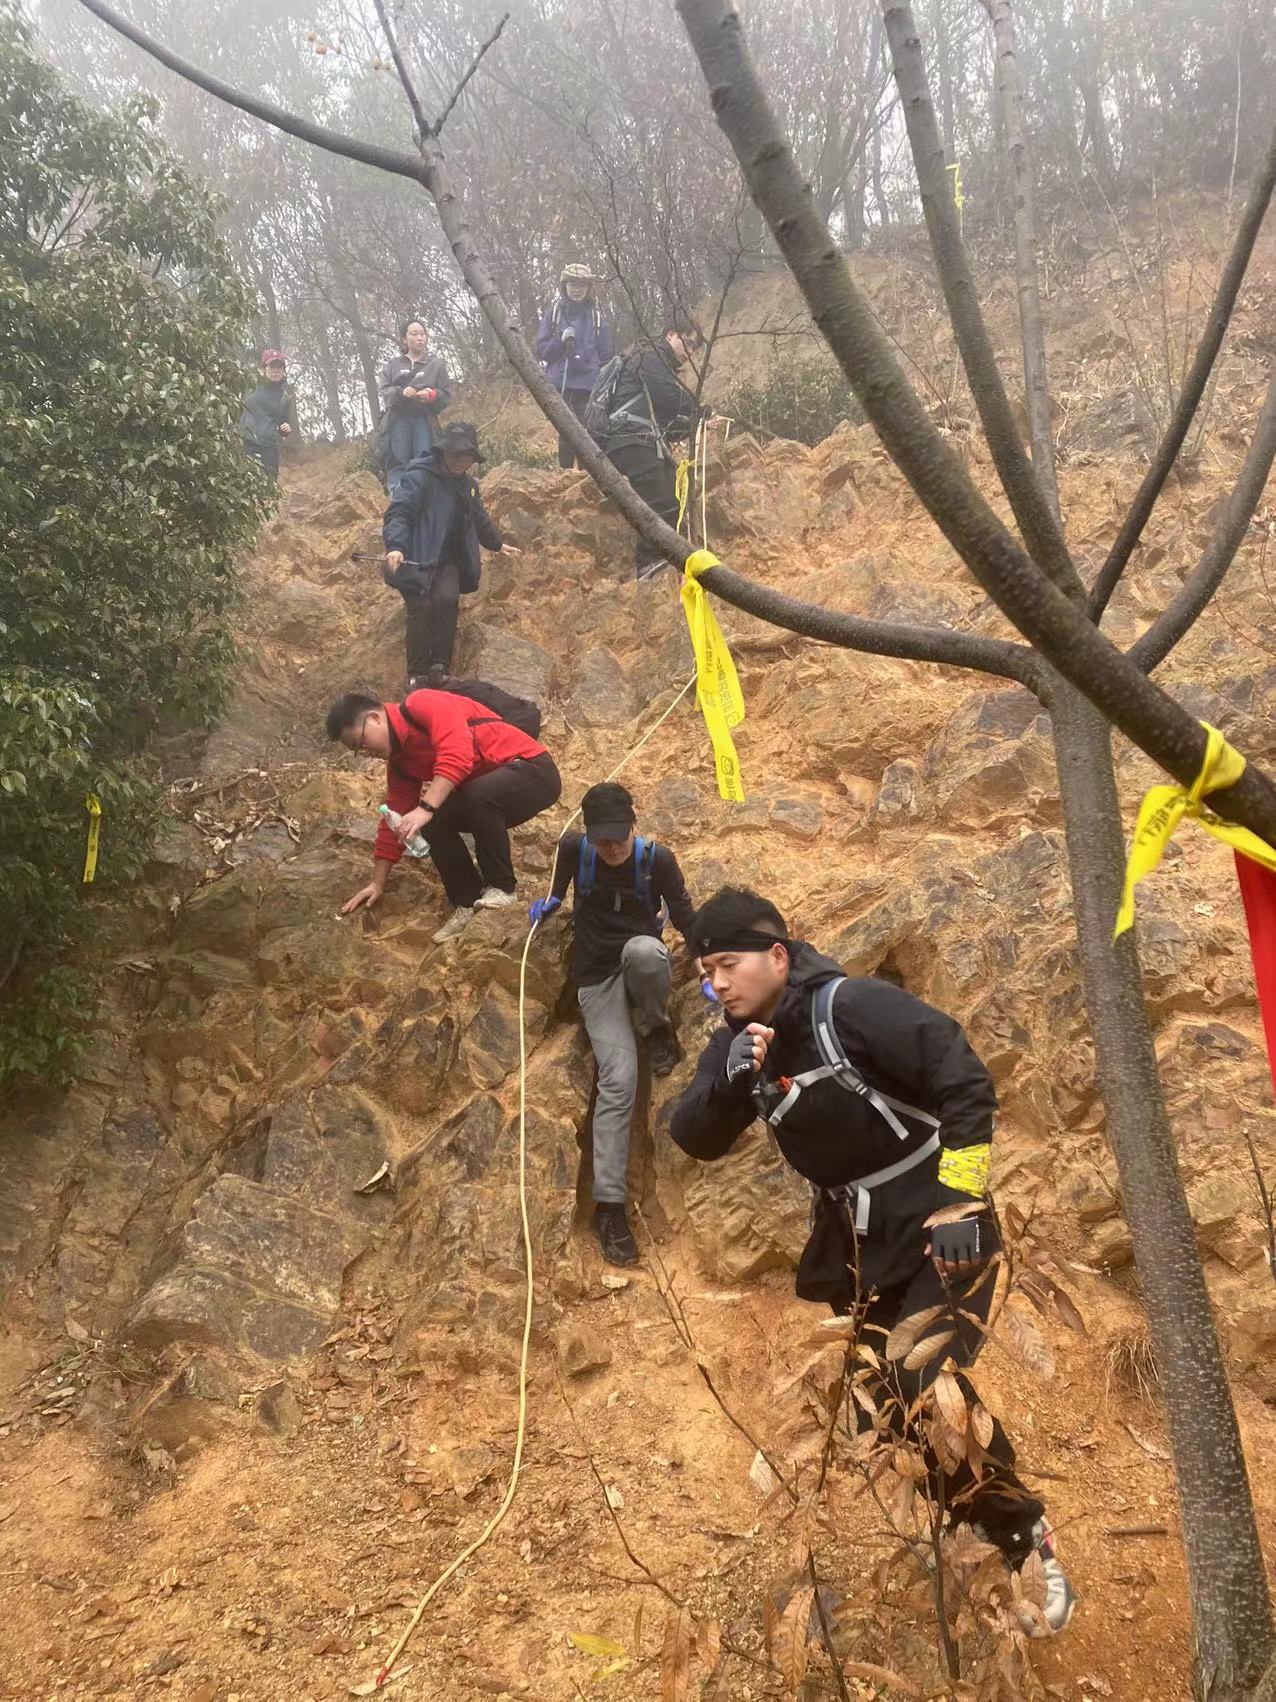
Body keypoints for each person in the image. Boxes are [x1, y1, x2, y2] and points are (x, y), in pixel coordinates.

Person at [668, 887, 1076, 1636]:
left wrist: (960, 1200)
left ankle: (1025, 1535)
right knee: (879, 1403)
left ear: (777, 955)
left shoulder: (850, 1007)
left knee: (920, 1379)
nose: (717, 984)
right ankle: (966, 1524)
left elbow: (963, 1076)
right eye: (706, 974)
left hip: (939, 1224)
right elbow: (692, 1136)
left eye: (727, 965)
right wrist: (728, 1084)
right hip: (857, 1242)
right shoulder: (735, 1044)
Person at [529, 783, 696, 1267]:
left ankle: (656, 1026)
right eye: (601, 839)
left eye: (618, 836)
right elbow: (556, 893)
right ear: (588, 834)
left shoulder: (656, 860)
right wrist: (548, 903)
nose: (611, 847)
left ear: (632, 825)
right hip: (596, 978)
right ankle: (609, 1207)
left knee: (645, 952)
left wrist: (711, 963)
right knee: (619, 1082)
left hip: (640, 965)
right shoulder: (573, 850)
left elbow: (687, 920)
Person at [326, 687, 561, 944]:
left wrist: (424, 808)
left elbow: (458, 753)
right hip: (490, 799)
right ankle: (467, 901)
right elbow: (394, 820)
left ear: (374, 718)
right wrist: (377, 883)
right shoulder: (401, 764)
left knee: (460, 800)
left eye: (361, 743)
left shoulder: (421, 703)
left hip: (533, 771)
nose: (365, 752)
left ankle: (503, 889)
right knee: (434, 819)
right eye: (357, 751)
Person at [382, 420, 520, 689]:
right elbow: (399, 512)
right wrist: (396, 546)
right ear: (442, 451)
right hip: (416, 556)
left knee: (446, 601)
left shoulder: (468, 485)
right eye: (454, 454)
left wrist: (497, 544)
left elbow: (479, 518)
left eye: (466, 455)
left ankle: (440, 668)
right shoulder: (419, 476)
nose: (459, 461)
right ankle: (417, 675)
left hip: (449, 560)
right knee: (422, 607)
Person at [601, 321, 702, 579]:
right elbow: (667, 396)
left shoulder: (656, 361)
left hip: (640, 440)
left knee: (673, 498)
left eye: (694, 349)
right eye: (688, 343)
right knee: (659, 499)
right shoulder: (650, 355)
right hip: (630, 439)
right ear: (671, 334)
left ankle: (662, 560)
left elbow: (665, 421)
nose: (689, 353)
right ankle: (649, 564)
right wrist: (698, 408)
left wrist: (693, 424)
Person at [535, 263, 615, 470]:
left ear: (589, 288)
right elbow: (541, 351)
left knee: (588, 430)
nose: (577, 289)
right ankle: (567, 476)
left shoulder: (597, 317)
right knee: (566, 432)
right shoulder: (553, 314)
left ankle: (586, 475)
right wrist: (560, 342)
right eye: (573, 284)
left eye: (582, 284)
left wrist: (605, 384)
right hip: (561, 383)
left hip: (589, 384)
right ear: (565, 286)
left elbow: (606, 355)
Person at [379, 318, 451, 494]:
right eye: (414, 334)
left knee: (424, 460)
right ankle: (398, 499)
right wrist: (400, 392)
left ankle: (423, 498)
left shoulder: (436, 364)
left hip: (424, 420)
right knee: (398, 461)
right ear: (404, 339)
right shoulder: (392, 365)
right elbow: (385, 391)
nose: (420, 338)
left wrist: (431, 395)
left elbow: (445, 395)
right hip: (398, 420)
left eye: (422, 334)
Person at [240, 349, 297, 479]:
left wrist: (285, 428)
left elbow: (283, 423)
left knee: (269, 486)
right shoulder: (250, 385)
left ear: (283, 370)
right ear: (264, 368)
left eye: (279, 367)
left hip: (269, 448)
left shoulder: (285, 397)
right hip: (247, 443)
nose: (276, 371)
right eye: (272, 366)